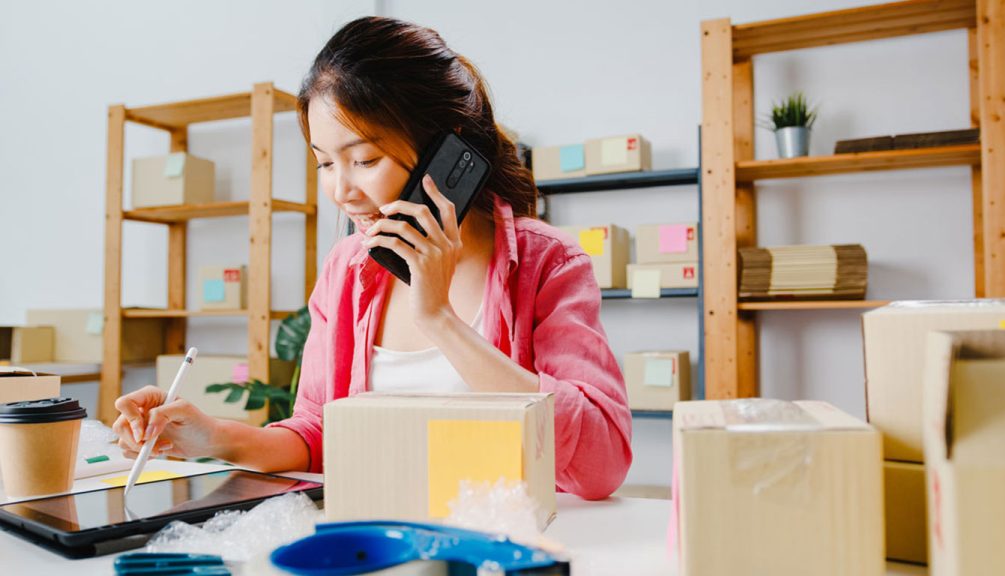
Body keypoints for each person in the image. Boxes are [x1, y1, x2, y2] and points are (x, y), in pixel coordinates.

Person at [112, 16, 631, 500]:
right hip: (373, 536)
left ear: (449, 154)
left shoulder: (547, 263)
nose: (341, 190)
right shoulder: (347, 270)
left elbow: (603, 463)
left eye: (363, 159)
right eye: (324, 163)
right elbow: (317, 433)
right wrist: (214, 437)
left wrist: (440, 320)